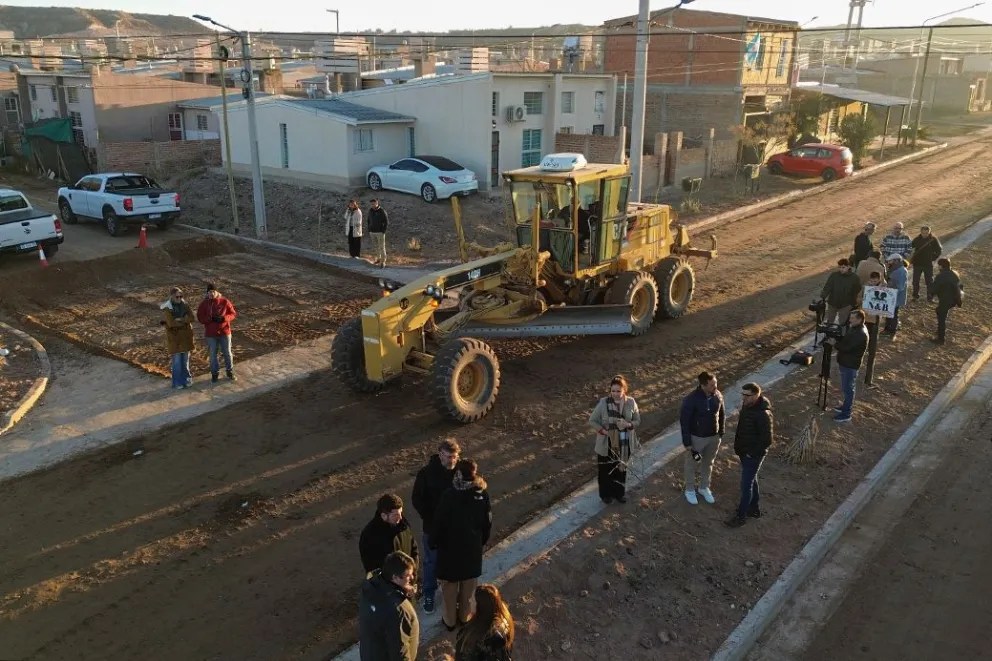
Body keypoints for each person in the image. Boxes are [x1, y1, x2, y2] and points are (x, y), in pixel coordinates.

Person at [431, 459, 493, 631]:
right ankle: (465, 617)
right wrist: (480, 542)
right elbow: (487, 523)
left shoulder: (449, 495)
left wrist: (433, 542)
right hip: (471, 552)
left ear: (458, 474)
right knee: (468, 591)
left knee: (449, 592)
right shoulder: (482, 494)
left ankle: (450, 621)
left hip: (449, 552)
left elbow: (439, 523)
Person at [412, 438, 460, 614]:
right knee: (431, 562)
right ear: (440, 454)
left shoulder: (460, 472)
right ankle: (429, 594)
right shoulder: (426, 474)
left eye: (454, 457)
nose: (451, 460)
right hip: (432, 528)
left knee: (453, 560)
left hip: (454, 528)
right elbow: (417, 499)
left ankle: (452, 593)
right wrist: (430, 517)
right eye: (448, 456)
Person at [588, 375, 641, 505]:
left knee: (621, 469)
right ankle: (606, 495)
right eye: (613, 391)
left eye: (618, 391)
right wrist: (604, 431)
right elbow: (592, 420)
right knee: (605, 470)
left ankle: (619, 494)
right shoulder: (603, 403)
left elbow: (637, 420)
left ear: (624, 390)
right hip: (607, 443)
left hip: (624, 443)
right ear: (610, 390)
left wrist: (628, 424)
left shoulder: (631, 402)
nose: (616, 394)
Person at [726, 383, 773, 528]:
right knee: (752, 480)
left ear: (756, 395)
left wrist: (751, 454)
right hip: (744, 452)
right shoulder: (747, 406)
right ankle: (754, 509)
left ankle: (741, 516)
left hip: (752, 455)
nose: (743, 397)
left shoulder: (763, 414)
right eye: (743, 394)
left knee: (746, 486)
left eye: (747, 395)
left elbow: (767, 440)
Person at [358, 550, 419, 661]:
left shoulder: (372, 587)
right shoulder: (397, 610)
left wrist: (402, 592)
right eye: (407, 575)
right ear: (395, 577)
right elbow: (400, 652)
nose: (412, 578)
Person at [679, 371, 725, 505]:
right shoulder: (691, 399)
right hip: (697, 439)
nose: (715, 387)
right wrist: (687, 442)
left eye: (715, 383)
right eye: (712, 385)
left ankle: (704, 487)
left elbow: (722, 413)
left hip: (714, 437)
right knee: (692, 464)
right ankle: (689, 490)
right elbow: (684, 422)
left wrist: (720, 432)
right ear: (703, 385)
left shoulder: (718, 395)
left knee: (708, 463)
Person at [359, 494, 419, 579]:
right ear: (384, 516)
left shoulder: (404, 526)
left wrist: (413, 572)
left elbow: (414, 549)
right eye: (396, 515)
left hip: (407, 579)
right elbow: (371, 566)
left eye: (401, 513)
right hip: (388, 584)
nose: (400, 517)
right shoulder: (370, 535)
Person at [826, 309, 869, 423]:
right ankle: (845, 407)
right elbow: (846, 341)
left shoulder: (860, 333)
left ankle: (846, 414)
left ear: (859, 319)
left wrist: (834, 343)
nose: (850, 320)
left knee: (848, 390)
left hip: (850, 365)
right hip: (847, 363)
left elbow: (846, 348)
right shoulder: (855, 328)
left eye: (852, 318)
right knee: (847, 388)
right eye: (850, 317)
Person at [454, 584, 514, 661]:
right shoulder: (504, 620)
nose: (469, 600)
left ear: (480, 606)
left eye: (473, 599)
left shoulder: (474, 635)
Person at [196, 283, 237, 382]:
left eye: (213, 291)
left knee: (227, 353)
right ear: (207, 293)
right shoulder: (204, 304)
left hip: (224, 332)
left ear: (217, 292)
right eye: (209, 292)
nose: (211, 293)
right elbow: (200, 317)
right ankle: (215, 374)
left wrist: (224, 318)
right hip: (211, 334)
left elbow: (233, 314)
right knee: (213, 355)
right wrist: (209, 319)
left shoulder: (224, 301)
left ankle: (230, 371)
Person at [160, 286, 194, 389]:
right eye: (177, 296)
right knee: (177, 362)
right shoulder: (167, 308)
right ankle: (177, 382)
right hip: (175, 339)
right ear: (172, 296)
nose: (179, 298)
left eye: (181, 296)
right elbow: (171, 323)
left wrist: (180, 320)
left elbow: (192, 317)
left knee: (185, 362)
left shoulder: (185, 305)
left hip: (186, 338)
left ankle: (186, 380)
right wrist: (185, 321)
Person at [856, 271, 884, 386]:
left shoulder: (884, 289)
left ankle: (868, 378)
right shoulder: (865, 287)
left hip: (875, 322)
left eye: (875, 281)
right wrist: (863, 300)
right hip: (865, 320)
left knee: (872, 351)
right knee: (859, 347)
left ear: (879, 280)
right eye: (871, 281)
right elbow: (858, 299)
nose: (873, 283)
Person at [819, 258, 862, 325]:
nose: (841, 269)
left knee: (842, 323)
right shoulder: (834, 275)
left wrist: (853, 303)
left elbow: (857, 290)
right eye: (839, 267)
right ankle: (829, 331)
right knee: (829, 321)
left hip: (846, 305)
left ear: (848, 267)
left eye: (843, 267)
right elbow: (828, 286)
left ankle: (842, 331)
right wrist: (823, 295)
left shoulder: (854, 278)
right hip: (833, 302)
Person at [931, 257, 963, 345]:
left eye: (938, 265)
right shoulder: (955, 274)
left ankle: (941, 339)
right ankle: (940, 332)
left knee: (941, 317)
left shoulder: (941, 276)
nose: (938, 267)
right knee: (939, 311)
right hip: (954, 299)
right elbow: (960, 287)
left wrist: (931, 294)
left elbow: (934, 289)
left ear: (941, 266)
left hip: (946, 299)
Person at [910, 225, 942, 303]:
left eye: (926, 233)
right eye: (923, 233)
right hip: (917, 264)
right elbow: (910, 247)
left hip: (928, 264)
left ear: (929, 232)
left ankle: (930, 298)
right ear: (921, 232)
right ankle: (915, 296)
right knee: (915, 281)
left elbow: (939, 250)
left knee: (929, 282)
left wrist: (933, 258)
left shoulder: (933, 240)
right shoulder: (917, 239)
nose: (925, 235)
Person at [883, 254, 908, 336]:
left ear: (896, 261)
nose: (889, 263)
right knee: (888, 312)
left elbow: (900, 286)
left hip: (896, 296)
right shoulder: (894, 269)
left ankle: (892, 330)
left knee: (893, 313)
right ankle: (887, 328)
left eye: (890, 261)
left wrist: (890, 286)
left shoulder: (901, 271)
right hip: (891, 294)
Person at [368, 198, 389, 267]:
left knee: (382, 247)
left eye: (374, 204)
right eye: (371, 204)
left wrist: (383, 231)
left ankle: (383, 262)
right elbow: (368, 220)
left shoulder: (382, 211)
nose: (373, 205)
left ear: (377, 203)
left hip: (380, 232)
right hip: (372, 232)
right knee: (376, 246)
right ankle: (378, 259)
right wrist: (369, 229)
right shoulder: (370, 211)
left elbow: (386, 222)